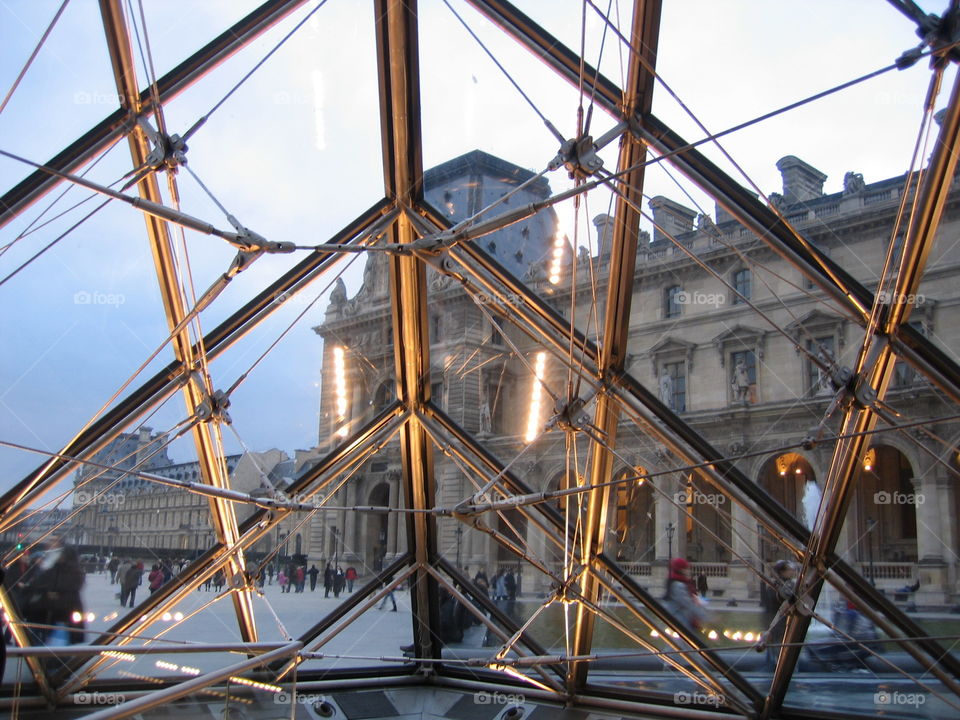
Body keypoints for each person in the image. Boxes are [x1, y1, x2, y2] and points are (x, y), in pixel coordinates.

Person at [22, 541, 86, 646]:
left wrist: (52, 592)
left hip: (58, 616)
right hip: (48, 615)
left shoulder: (68, 571)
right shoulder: (53, 568)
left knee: (52, 647)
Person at [759, 560, 797, 667]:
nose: (793, 571)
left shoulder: (777, 585)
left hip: (776, 624)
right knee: (780, 653)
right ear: (782, 572)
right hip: (779, 624)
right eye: (790, 569)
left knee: (773, 652)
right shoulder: (783, 587)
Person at [665, 558, 706, 634]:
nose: (688, 570)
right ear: (681, 569)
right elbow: (688, 604)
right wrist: (705, 616)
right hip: (681, 623)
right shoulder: (678, 585)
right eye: (686, 568)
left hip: (680, 621)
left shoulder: (676, 582)